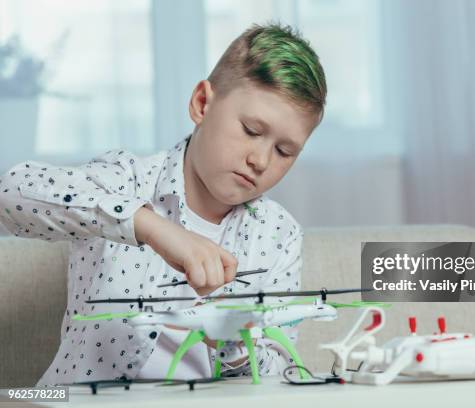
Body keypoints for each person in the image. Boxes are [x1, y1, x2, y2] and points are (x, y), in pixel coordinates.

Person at [0, 23, 327, 385]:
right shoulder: (126, 180)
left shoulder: (279, 235)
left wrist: (232, 341)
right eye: (251, 130)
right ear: (202, 104)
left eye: (285, 151)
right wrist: (150, 226)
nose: (261, 161)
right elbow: (11, 192)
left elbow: (280, 375)